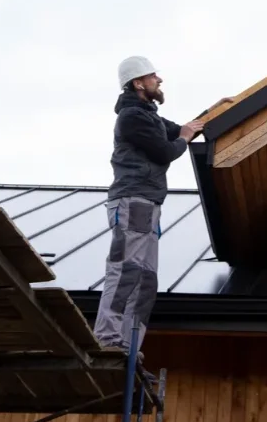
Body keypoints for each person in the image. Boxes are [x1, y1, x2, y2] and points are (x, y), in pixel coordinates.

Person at [96, 55, 231, 361]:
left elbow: (184, 129)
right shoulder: (131, 117)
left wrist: (216, 111)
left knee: (146, 280)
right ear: (138, 83)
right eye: (153, 75)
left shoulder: (149, 117)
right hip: (133, 201)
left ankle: (127, 348)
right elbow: (166, 150)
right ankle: (107, 338)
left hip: (148, 205)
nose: (159, 80)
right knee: (126, 270)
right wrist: (183, 137)